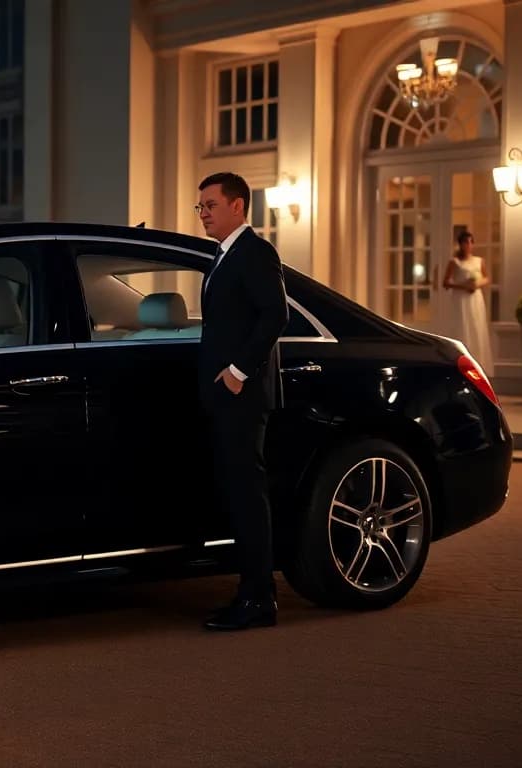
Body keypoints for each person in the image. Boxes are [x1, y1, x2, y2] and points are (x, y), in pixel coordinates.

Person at [195, 172, 289, 631]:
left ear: (238, 206)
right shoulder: (221, 256)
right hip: (225, 395)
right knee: (236, 495)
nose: (204, 214)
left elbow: (276, 313)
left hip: (244, 395)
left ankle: (259, 601)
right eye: (201, 207)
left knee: (249, 499)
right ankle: (249, 594)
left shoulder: (255, 251)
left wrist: (236, 373)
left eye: (210, 205)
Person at [438, 230, 493, 374]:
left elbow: (487, 278)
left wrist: (477, 284)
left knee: (476, 327)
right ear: (460, 244)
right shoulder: (454, 261)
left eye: (470, 242)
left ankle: (479, 364)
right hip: (461, 299)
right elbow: (445, 282)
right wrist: (463, 286)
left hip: (475, 298)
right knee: (462, 326)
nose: (468, 245)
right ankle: (461, 363)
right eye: (465, 242)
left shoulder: (479, 260)